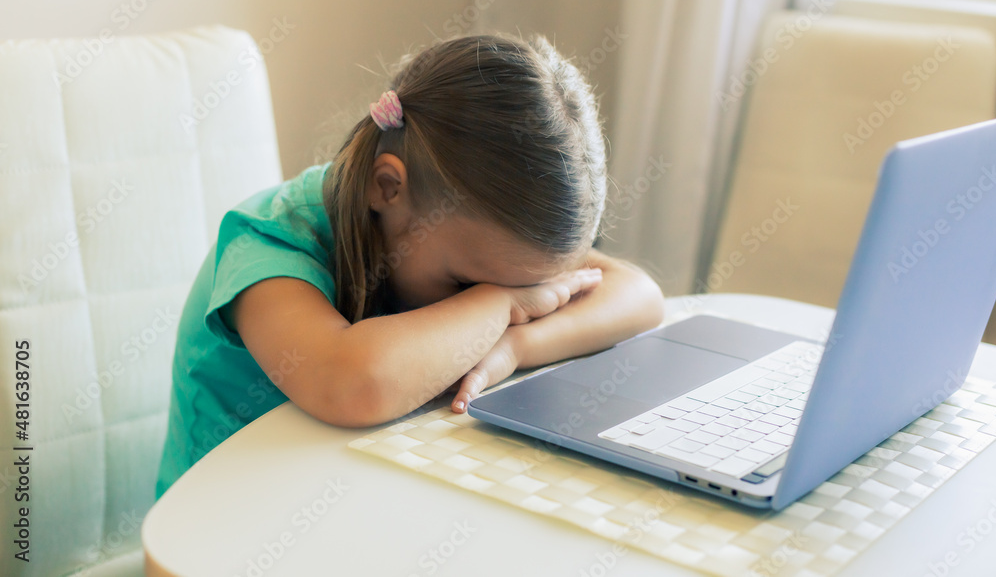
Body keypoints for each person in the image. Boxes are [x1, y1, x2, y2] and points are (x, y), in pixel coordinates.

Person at [155, 33, 664, 499]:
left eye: (517, 288)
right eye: (467, 284)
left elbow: (638, 294)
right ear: (387, 187)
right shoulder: (268, 243)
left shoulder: (481, 239)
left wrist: (515, 346)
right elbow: (355, 384)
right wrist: (501, 305)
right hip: (224, 524)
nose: (483, 301)